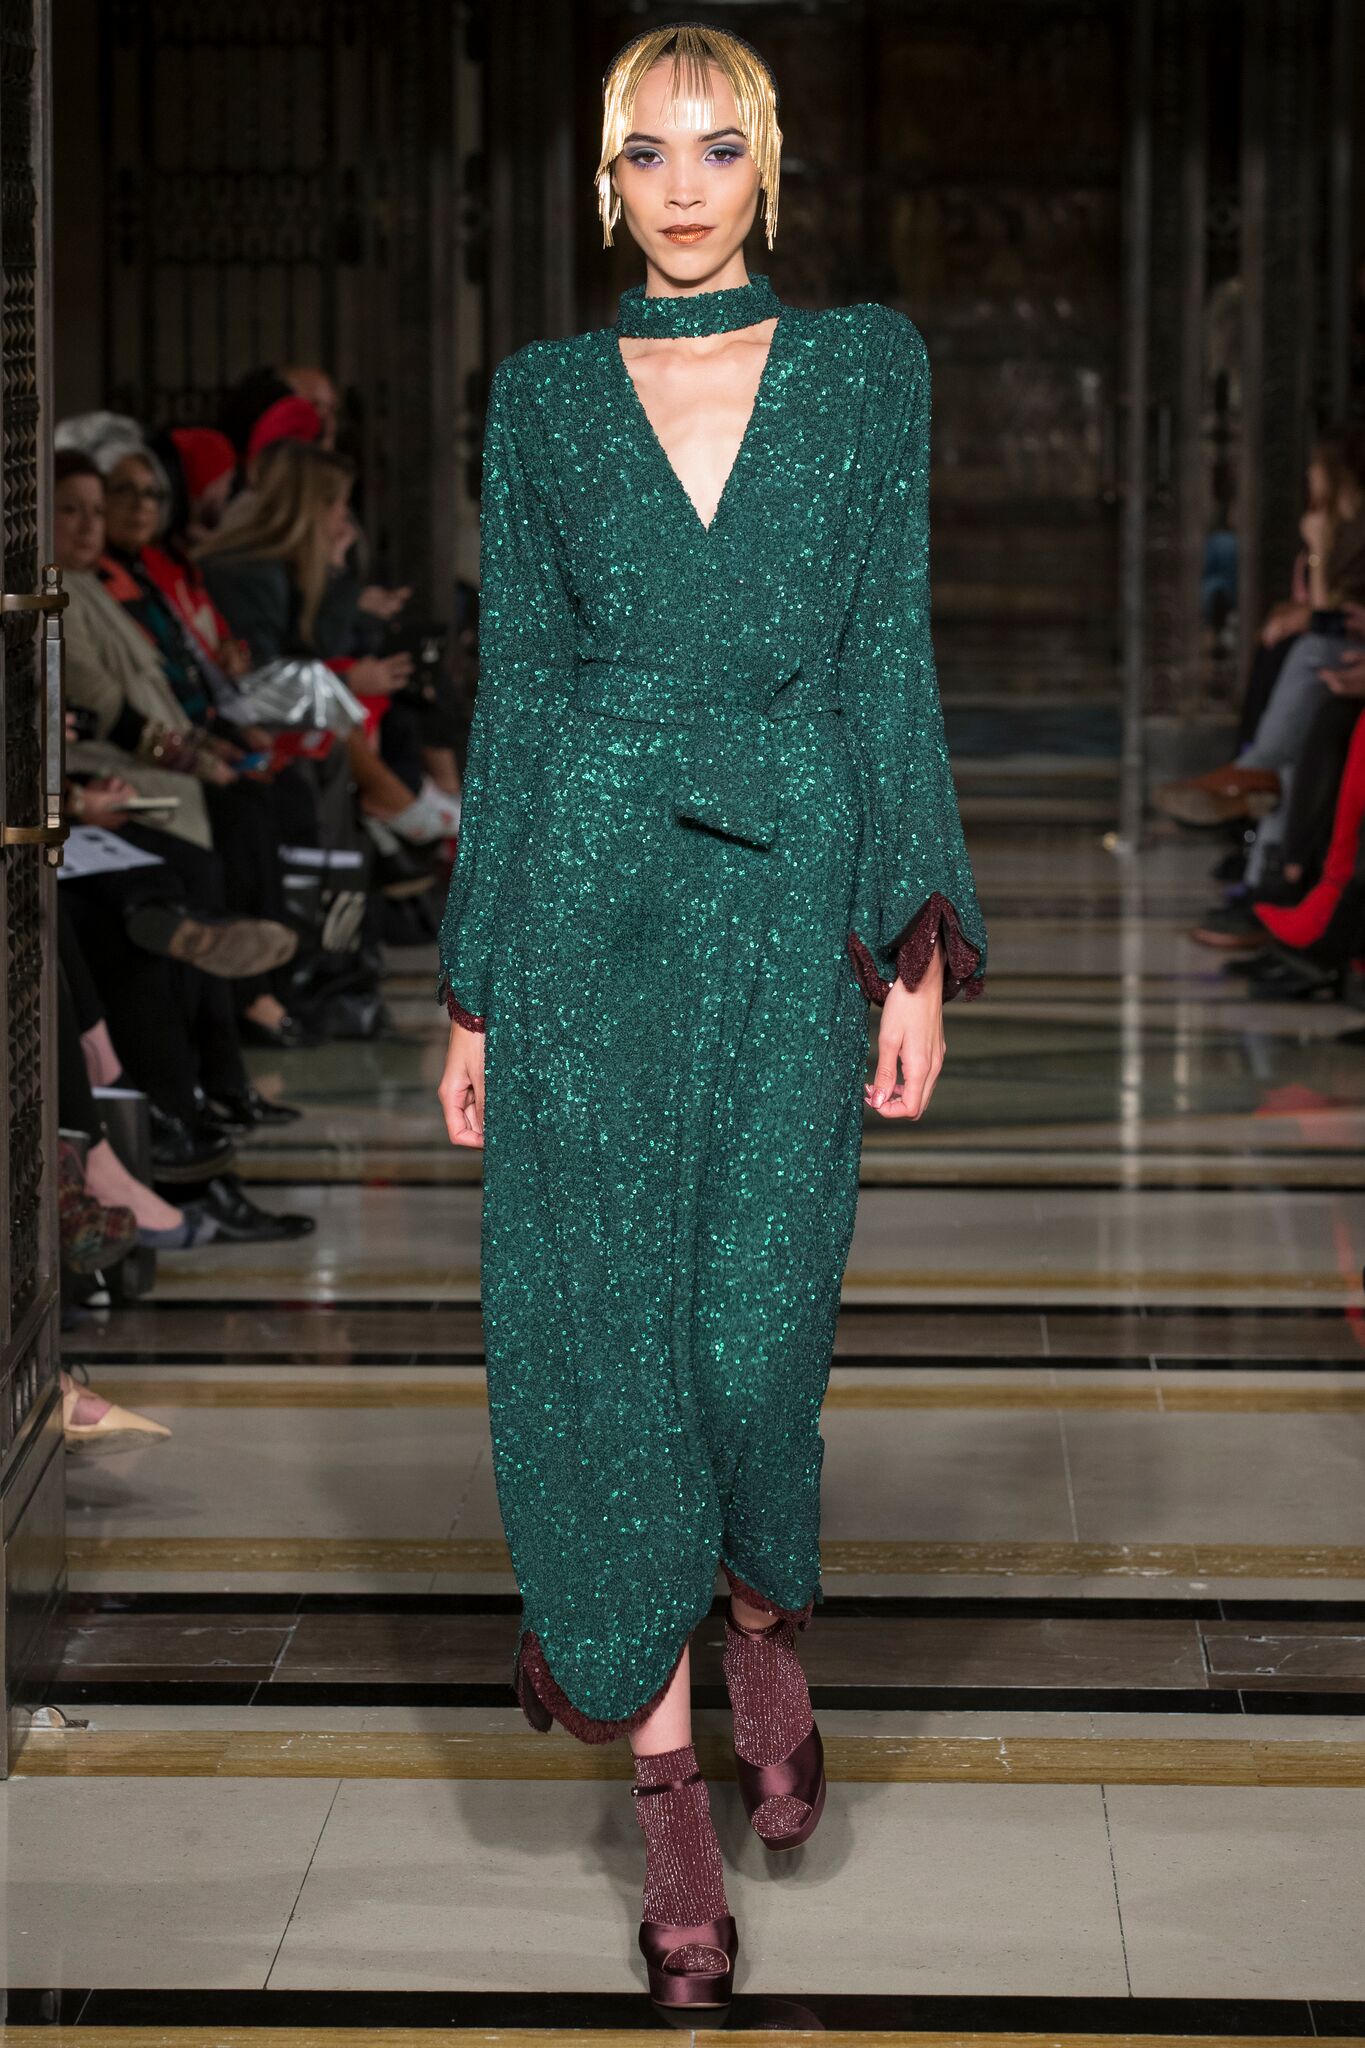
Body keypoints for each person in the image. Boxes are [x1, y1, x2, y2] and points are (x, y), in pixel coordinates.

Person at [434, 23, 986, 2011]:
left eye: (717, 147)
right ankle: (669, 1822)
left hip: (784, 912)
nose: (683, 185)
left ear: (767, 166)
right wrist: (478, 981)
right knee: (605, 1358)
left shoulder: (863, 370)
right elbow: (516, 686)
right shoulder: (540, 399)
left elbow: (887, 647)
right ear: (606, 181)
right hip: (585, 904)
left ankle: (762, 1621)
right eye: (647, 153)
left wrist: (910, 944)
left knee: (753, 1351)